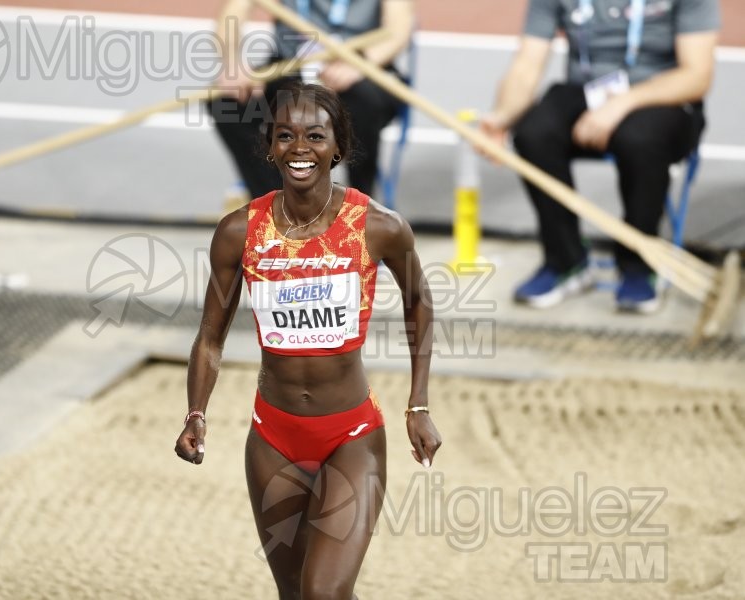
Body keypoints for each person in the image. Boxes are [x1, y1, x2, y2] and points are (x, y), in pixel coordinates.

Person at [176, 82, 441, 599]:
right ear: (269, 147)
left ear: (337, 147)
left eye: (315, 136)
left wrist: (419, 402)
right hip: (272, 439)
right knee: (297, 594)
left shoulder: (377, 227)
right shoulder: (239, 233)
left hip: (352, 437)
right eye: (285, 136)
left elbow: (419, 302)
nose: (300, 148)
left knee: (324, 592)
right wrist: (196, 413)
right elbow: (211, 336)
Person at [480, 0, 720, 313]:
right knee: (533, 133)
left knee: (639, 138)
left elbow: (697, 75)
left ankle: (638, 264)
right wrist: (501, 117)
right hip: (586, 91)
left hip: (664, 96)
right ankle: (566, 260)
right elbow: (527, 64)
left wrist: (622, 104)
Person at [209, 0, 413, 201]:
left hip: (359, 67)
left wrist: (359, 64)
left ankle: (358, 212)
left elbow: (398, 28)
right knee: (228, 103)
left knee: (363, 104)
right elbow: (234, 12)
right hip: (291, 67)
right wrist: (231, 61)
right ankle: (280, 207)